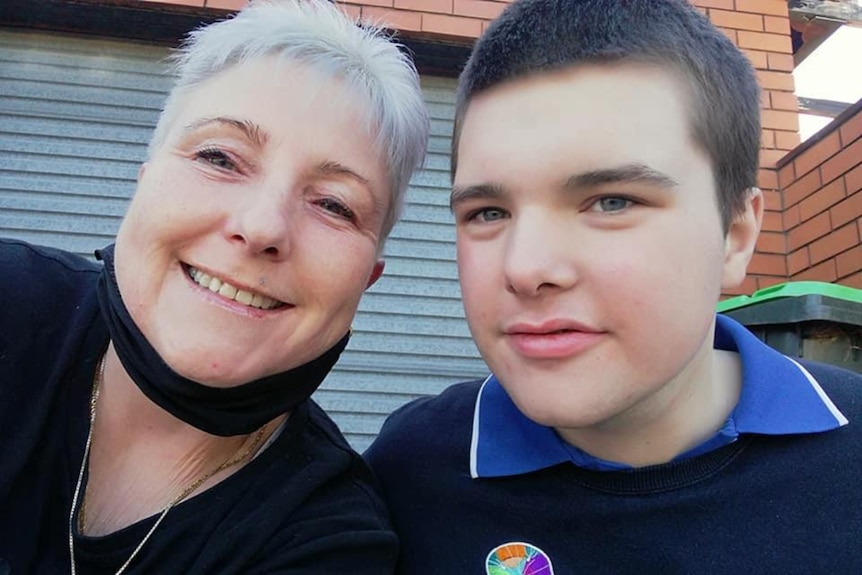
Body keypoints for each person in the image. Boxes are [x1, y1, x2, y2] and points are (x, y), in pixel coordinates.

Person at [364, 0, 862, 573]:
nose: (525, 268)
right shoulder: (409, 472)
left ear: (736, 235)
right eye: (487, 211)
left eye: (612, 202)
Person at [0, 0, 428, 572]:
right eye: (220, 157)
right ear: (144, 181)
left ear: (368, 279)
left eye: (333, 204)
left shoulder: (330, 540)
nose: (261, 228)